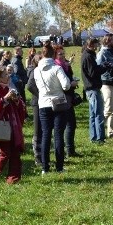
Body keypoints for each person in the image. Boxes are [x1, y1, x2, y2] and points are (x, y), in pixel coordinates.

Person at [34, 41, 77, 174]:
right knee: (58, 134)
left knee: (46, 135)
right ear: (53, 56)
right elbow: (65, 85)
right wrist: (72, 83)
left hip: (43, 103)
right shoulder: (56, 68)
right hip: (58, 103)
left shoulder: (36, 70)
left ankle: (45, 167)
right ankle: (59, 166)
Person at [0, 66, 27, 183]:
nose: (8, 77)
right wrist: (5, 100)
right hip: (2, 127)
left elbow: (21, 106)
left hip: (14, 126)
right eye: (5, 75)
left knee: (15, 152)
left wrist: (16, 100)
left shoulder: (9, 88)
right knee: (5, 153)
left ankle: (13, 179)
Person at [81, 38, 105, 144]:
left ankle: (93, 136)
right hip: (92, 88)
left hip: (90, 88)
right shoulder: (88, 56)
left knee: (93, 114)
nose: (97, 47)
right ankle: (99, 137)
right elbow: (92, 72)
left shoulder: (87, 55)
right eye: (95, 45)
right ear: (91, 45)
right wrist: (103, 67)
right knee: (98, 113)